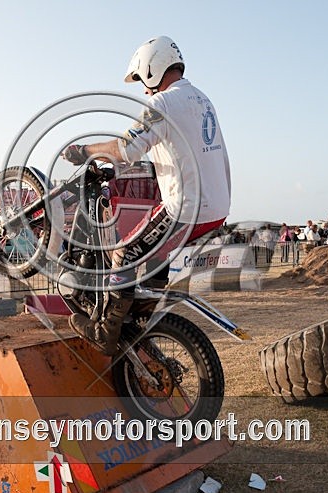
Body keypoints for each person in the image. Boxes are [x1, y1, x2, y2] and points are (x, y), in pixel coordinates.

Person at [61, 36, 231, 354]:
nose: (143, 88)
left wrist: (85, 151)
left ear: (153, 69)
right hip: (217, 209)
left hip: (187, 209)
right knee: (154, 255)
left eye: (141, 79)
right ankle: (141, 318)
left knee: (123, 251)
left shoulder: (162, 103)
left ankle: (104, 333)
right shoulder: (202, 100)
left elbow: (126, 148)